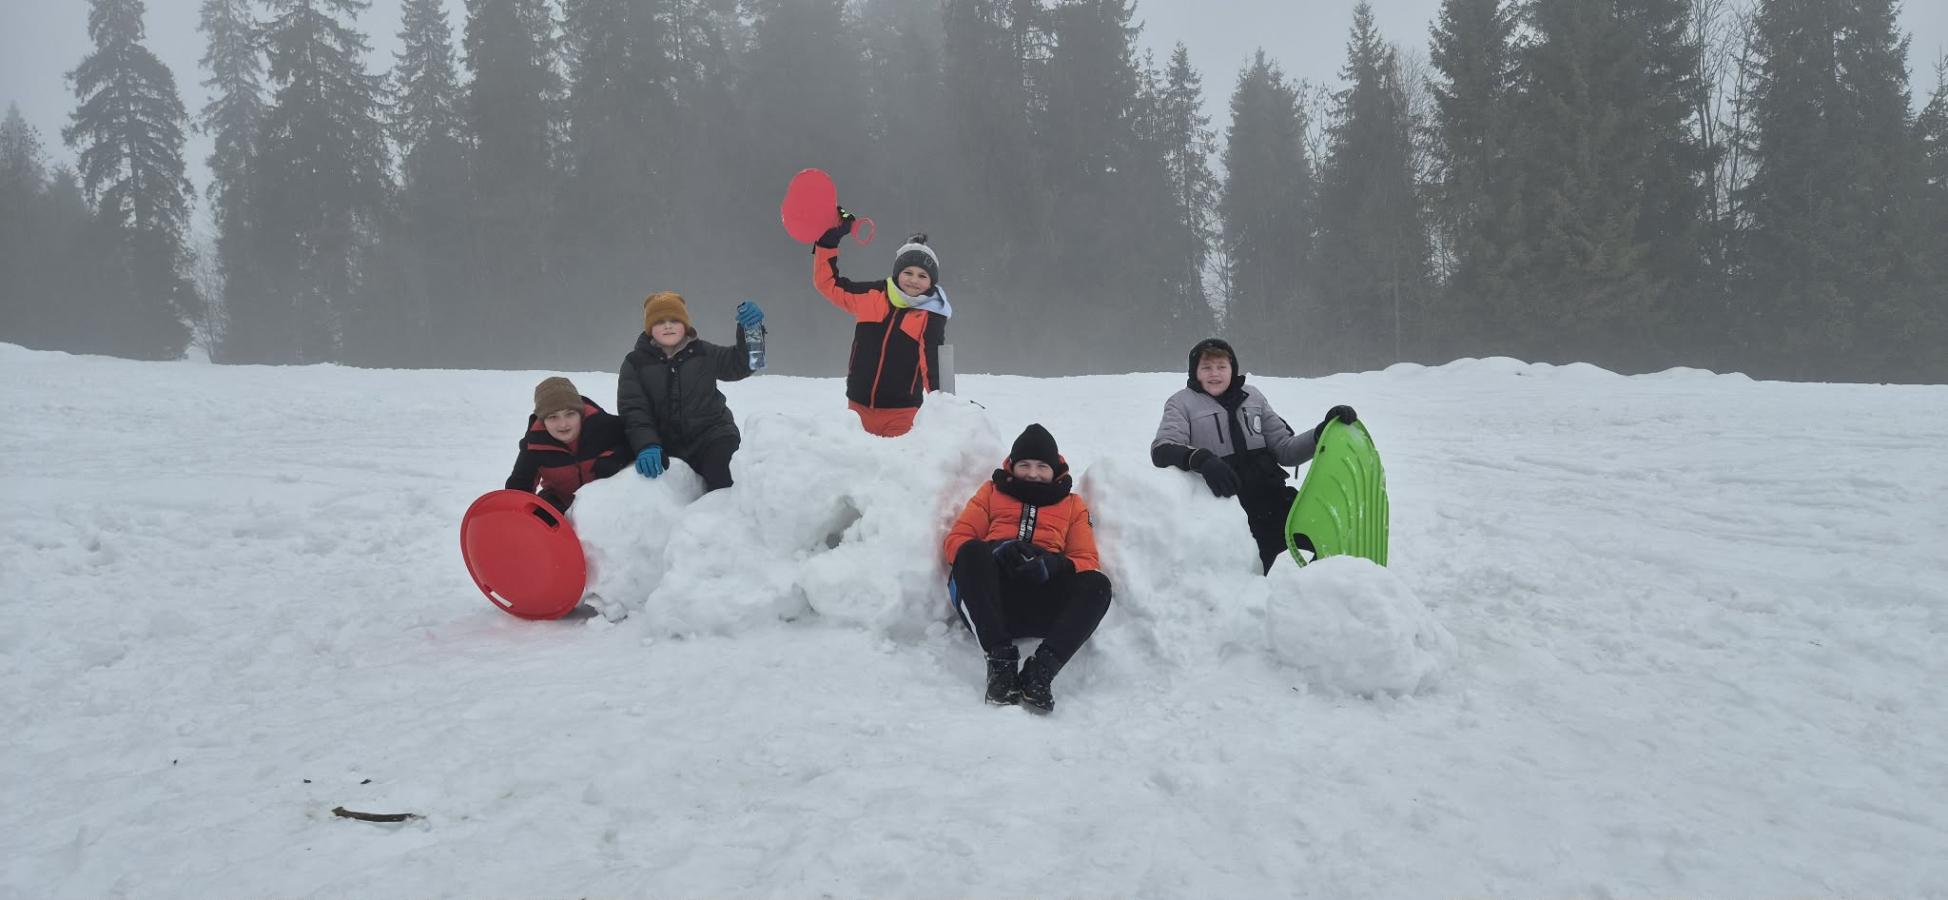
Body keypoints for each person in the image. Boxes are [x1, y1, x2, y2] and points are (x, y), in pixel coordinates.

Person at [1150, 338, 1358, 573]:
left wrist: (1321, 433)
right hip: (1231, 511)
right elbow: (1162, 449)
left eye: (1221, 367)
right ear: (1194, 372)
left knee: (1328, 537)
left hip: (1273, 499)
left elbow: (1285, 450)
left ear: (1232, 369)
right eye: (1206, 367)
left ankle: (1323, 589)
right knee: (1250, 580)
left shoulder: (1253, 397)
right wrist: (1202, 459)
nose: (1214, 374)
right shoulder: (1181, 403)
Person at [942, 424, 1111, 713]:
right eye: (1025, 465)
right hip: (991, 606)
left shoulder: (1072, 505)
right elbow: (955, 542)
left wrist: (1054, 564)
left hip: (1043, 603)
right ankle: (1001, 665)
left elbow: (1086, 559)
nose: (1033, 473)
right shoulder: (991, 492)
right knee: (970, 551)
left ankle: (1040, 672)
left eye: (1042, 466)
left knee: (1098, 584)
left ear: (1055, 469)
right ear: (1012, 466)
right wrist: (997, 549)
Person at [808, 208, 950, 437]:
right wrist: (828, 241)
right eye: (908, 272)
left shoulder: (931, 314)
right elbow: (828, 284)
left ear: (931, 282)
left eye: (922, 276)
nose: (914, 280)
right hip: (857, 408)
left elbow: (932, 362)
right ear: (897, 273)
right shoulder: (873, 295)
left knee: (896, 461)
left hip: (902, 413)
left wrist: (944, 406)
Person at [617, 291, 764, 493]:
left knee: (729, 482)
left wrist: (751, 331)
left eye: (674, 320)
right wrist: (647, 444)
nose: (668, 326)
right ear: (650, 328)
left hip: (712, 436)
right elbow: (633, 410)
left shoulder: (704, 353)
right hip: (664, 444)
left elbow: (743, 364)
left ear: (685, 325)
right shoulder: (635, 363)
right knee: (652, 491)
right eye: (659, 321)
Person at [505, 376, 633, 513]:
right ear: (543, 420)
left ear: (580, 413)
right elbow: (518, 489)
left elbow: (636, 442)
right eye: (553, 417)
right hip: (562, 507)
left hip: (609, 505)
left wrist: (616, 457)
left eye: (570, 414)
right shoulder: (534, 445)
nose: (563, 424)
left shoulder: (603, 425)